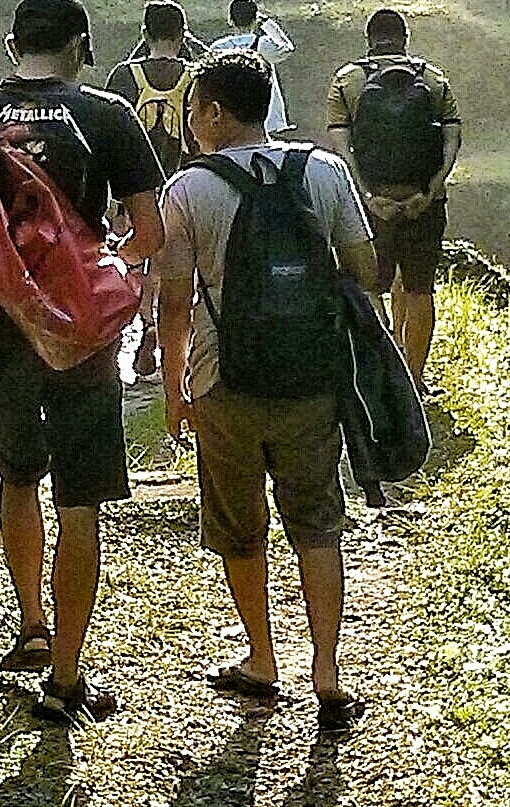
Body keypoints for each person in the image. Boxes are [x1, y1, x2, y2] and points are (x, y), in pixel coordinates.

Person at [0, 0, 165, 726]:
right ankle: (66, 676)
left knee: (17, 473)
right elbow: (148, 230)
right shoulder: (106, 116)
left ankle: (30, 624)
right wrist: (100, 265)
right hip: (82, 341)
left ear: (10, 45)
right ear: (82, 47)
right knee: (79, 498)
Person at [158, 48, 376, 733]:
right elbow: (365, 269)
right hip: (311, 380)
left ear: (215, 113)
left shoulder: (187, 191)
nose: (192, 124)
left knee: (239, 527)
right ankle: (328, 671)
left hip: (224, 382)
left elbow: (172, 302)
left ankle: (262, 659)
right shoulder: (325, 171)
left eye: (193, 110)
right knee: (317, 525)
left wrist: (173, 389)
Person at [326, 7, 462, 396]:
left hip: (371, 208)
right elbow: (452, 143)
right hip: (424, 203)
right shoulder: (434, 80)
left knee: (370, 287)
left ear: (369, 39)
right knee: (419, 289)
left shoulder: (348, 80)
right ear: (405, 38)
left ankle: (382, 375)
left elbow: (340, 147)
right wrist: (429, 192)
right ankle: (415, 380)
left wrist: (367, 197)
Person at [106, 0, 196, 377]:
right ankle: (164, 334)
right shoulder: (196, 77)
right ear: (182, 35)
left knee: (134, 262)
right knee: (171, 267)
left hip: (132, 191)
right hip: (183, 187)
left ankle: (141, 322)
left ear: (144, 34)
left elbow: (108, 137)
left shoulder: (125, 76)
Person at [205, 0, 297, 132]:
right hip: (268, 120)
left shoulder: (218, 48)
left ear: (230, 20)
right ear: (255, 19)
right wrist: (267, 24)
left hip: (230, 120)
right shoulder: (263, 45)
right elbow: (287, 48)